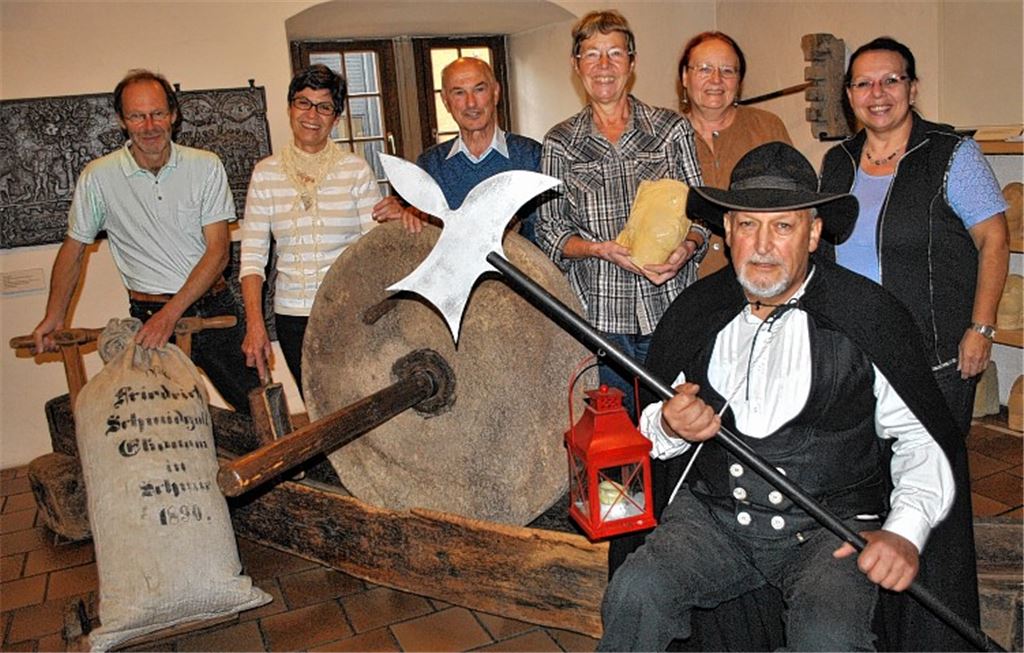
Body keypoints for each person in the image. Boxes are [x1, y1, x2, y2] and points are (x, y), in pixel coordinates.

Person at [598, 142, 977, 651]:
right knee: (635, 593)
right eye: (748, 225)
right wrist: (669, 425)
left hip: (829, 533)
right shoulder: (695, 313)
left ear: (814, 232)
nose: (762, 245)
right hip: (712, 521)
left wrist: (904, 531)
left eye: (783, 226)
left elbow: (919, 440)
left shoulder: (868, 316)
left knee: (828, 638)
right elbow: (648, 430)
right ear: (727, 231)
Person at [32, 69, 259, 414]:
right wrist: (54, 315)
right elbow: (74, 250)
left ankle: (296, 470)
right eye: (137, 116)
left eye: (157, 114)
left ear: (173, 115)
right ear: (122, 121)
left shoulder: (205, 167)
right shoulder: (99, 177)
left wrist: (171, 315)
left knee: (258, 409)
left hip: (214, 311)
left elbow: (217, 254)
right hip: (149, 314)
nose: (149, 125)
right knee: (164, 425)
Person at [820, 37, 1009, 438]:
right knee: (869, 474)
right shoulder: (838, 162)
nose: (877, 94)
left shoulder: (951, 154)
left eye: (890, 80)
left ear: (913, 88)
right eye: (862, 84)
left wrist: (982, 328)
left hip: (934, 356)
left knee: (936, 473)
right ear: (849, 94)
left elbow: (994, 240)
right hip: (855, 352)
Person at [535, 10, 708, 420]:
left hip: (670, 308)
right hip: (600, 319)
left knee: (676, 422)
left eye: (615, 53)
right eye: (592, 55)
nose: (604, 65)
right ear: (576, 67)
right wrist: (597, 248)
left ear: (631, 63)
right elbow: (550, 231)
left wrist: (686, 249)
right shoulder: (560, 143)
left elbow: (702, 214)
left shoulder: (670, 130)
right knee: (616, 433)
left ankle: (669, 489)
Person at [239, 65, 381, 393]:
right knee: (316, 405)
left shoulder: (355, 171)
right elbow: (252, 257)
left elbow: (373, 248)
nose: (312, 115)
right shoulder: (265, 174)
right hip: (292, 318)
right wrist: (255, 324)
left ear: (336, 117)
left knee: (354, 401)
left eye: (324, 106)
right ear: (290, 107)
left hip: (348, 312)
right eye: (303, 103)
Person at [371, 57, 542, 241]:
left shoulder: (532, 156)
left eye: (479, 89)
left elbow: (545, 234)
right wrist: (406, 217)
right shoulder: (429, 165)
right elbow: (423, 239)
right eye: (459, 93)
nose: (471, 103)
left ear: (496, 93)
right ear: (446, 101)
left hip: (518, 269)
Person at [677, 31, 792, 277]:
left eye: (728, 70)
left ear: (739, 81)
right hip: (682, 284)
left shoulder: (767, 128)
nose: (716, 80)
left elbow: (793, 207)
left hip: (757, 279)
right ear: (685, 77)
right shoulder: (663, 136)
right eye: (704, 69)